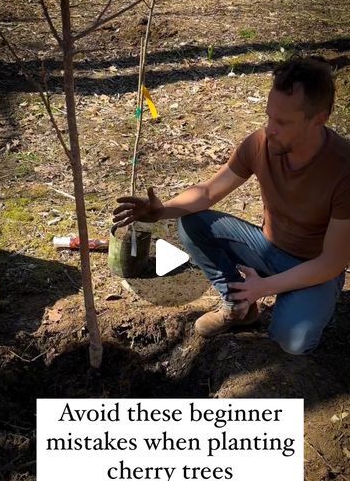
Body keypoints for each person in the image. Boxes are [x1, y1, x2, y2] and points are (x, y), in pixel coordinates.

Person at [113, 57, 350, 355]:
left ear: (319, 119)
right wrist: (161, 210)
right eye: (269, 117)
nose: (270, 129)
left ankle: (285, 299)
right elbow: (209, 191)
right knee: (192, 222)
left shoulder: (343, 170)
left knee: (292, 343)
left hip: (314, 270)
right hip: (266, 248)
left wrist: (265, 288)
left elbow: (331, 263)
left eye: (283, 122)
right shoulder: (261, 144)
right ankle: (239, 308)